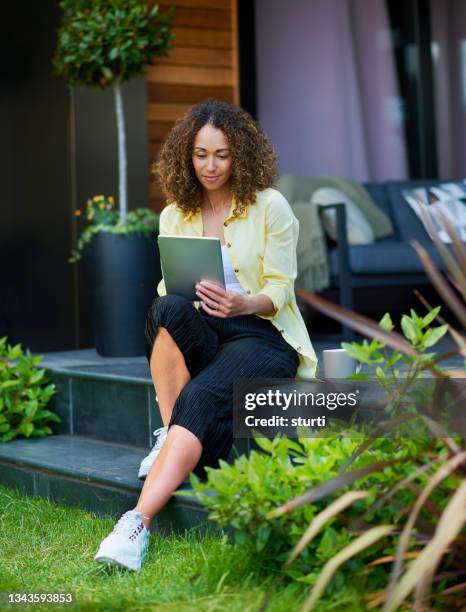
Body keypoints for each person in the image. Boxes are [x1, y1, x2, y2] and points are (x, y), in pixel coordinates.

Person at [94, 99, 318, 571]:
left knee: (200, 398)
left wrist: (242, 302)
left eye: (221, 154)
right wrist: (193, 300)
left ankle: (136, 523)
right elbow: (168, 293)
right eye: (200, 154)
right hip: (207, 328)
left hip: (262, 334)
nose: (210, 165)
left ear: (240, 155)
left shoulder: (269, 206)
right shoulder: (175, 213)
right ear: (186, 155)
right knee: (165, 306)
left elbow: (281, 289)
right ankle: (171, 435)